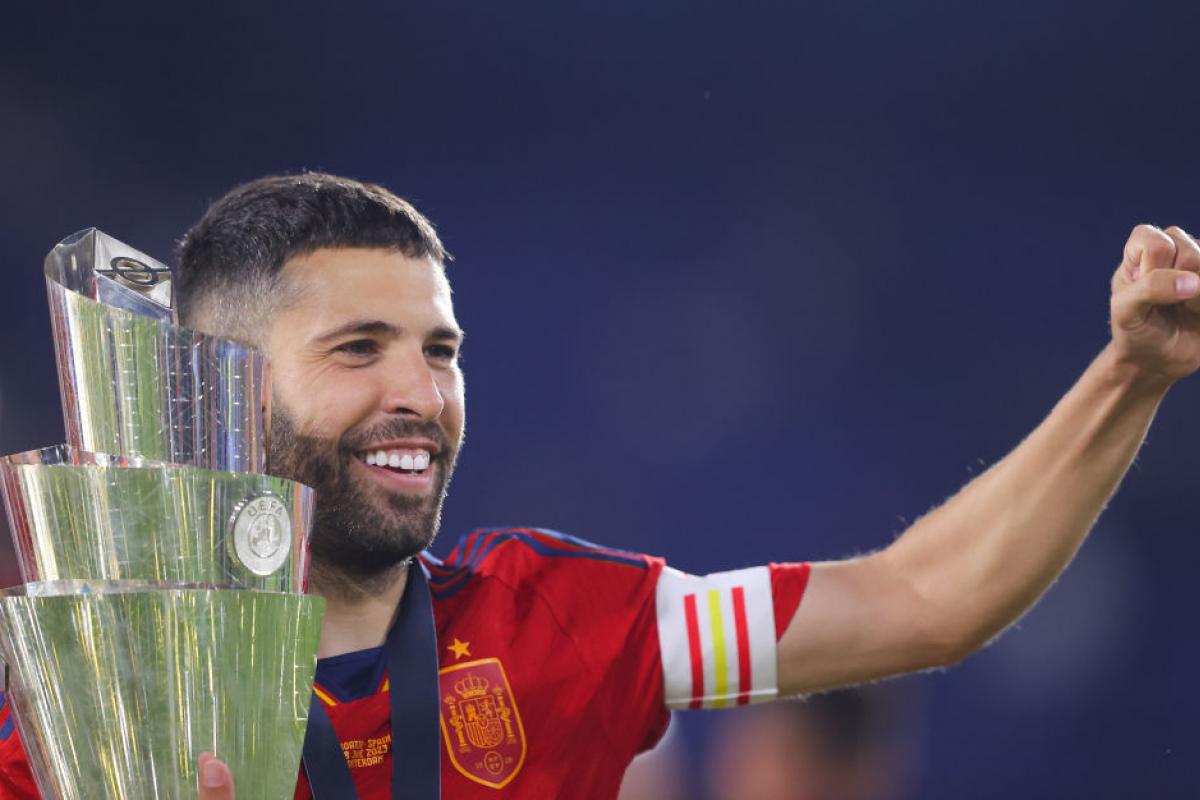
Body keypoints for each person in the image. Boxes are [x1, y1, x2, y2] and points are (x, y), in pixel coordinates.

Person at [1, 172, 1197, 799]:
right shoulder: (90, 723)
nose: (420, 391)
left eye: (441, 349)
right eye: (359, 349)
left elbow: (923, 599)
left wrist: (1130, 373)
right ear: (224, 391)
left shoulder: (555, 619)